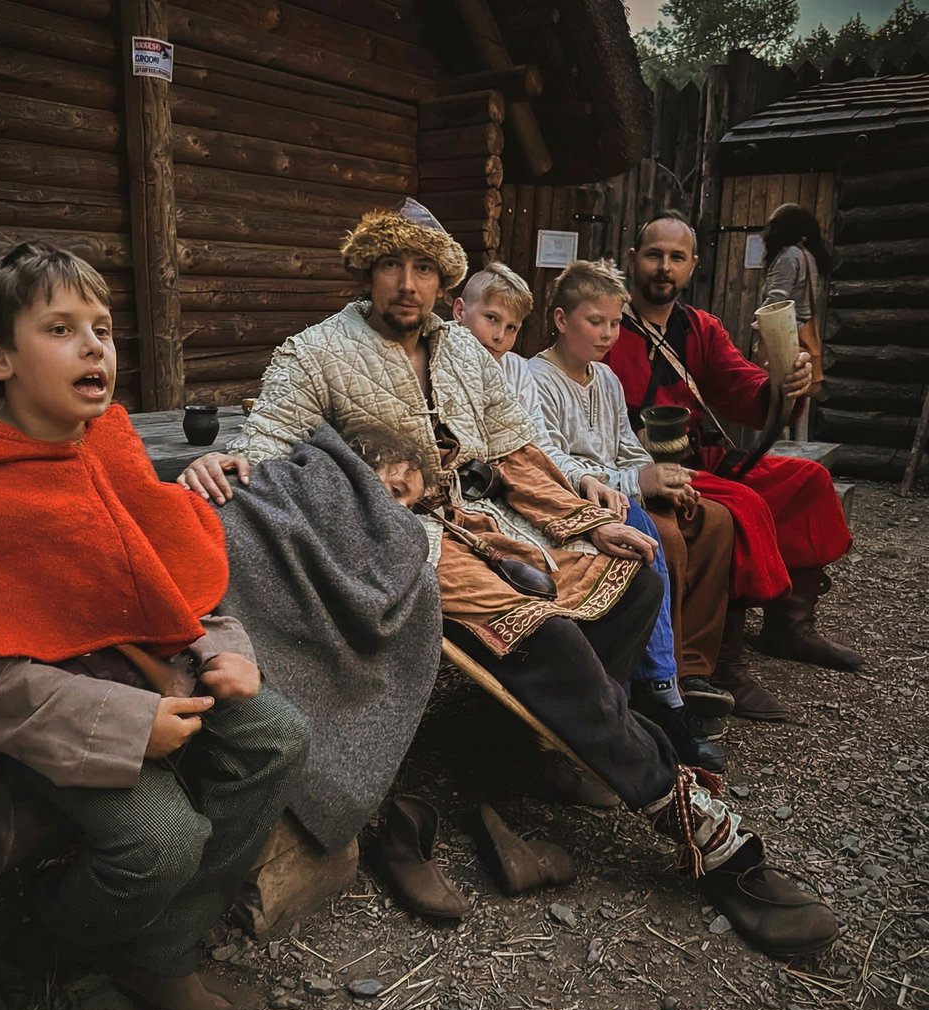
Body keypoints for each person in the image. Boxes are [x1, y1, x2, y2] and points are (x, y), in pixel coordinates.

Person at [179, 199, 838, 959]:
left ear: (442, 280)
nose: (407, 284)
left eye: (424, 268)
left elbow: (519, 454)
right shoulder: (317, 349)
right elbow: (266, 442)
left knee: (636, 577)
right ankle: (706, 837)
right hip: (409, 539)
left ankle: (529, 753)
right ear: (368, 271)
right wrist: (221, 458)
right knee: (545, 635)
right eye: (391, 265)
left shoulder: (461, 349)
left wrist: (586, 523)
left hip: (492, 519)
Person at [0, 241, 309, 1010]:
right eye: (60, 329)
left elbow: (166, 590)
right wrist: (129, 725)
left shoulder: (111, 452)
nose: (94, 346)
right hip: (35, 719)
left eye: (103, 327)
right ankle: (39, 955)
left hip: (142, 672)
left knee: (278, 736)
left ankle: (157, 945)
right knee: (160, 839)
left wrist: (225, 652)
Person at [454, 262, 730, 772]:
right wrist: (609, 487)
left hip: (576, 488)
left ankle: (685, 673)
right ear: (561, 320)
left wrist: (651, 475)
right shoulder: (531, 373)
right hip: (520, 495)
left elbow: (607, 445)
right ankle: (654, 690)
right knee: (652, 537)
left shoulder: (591, 377)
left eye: (510, 326)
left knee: (714, 521)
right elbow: (542, 455)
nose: (500, 334)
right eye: (490, 319)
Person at [607, 210, 859, 722]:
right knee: (743, 507)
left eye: (677, 257)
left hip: (703, 458)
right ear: (634, 260)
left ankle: (788, 626)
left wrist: (782, 386)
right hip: (644, 465)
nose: (664, 267)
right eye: (654, 254)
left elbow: (744, 390)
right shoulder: (606, 322)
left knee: (809, 480)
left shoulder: (700, 328)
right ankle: (724, 664)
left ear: (693, 265)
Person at [760, 203, 831, 399]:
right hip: (802, 338)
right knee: (797, 402)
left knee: (776, 402)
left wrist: (757, 328)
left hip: (785, 339)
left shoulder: (789, 256)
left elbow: (775, 301)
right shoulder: (809, 256)